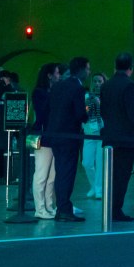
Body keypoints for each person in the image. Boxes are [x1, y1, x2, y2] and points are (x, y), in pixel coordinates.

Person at [99, 51, 134, 222]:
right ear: (130, 68)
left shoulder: (106, 86)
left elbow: (103, 111)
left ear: (115, 66)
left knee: (112, 175)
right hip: (126, 139)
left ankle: (110, 207)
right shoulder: (129, 86)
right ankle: (116, 209)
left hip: (110, 136)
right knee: (122, 176)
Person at [45, 56, 90, 222]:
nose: (89, 72)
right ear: (82, 70)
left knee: (60, 171)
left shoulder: (58, 86)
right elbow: (80, 114)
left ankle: (61, 207)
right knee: (67, 173)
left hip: (55, 135)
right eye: (88, 69)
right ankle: (64, 208)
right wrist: (87, 114)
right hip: (69, 137)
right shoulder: (77, 88)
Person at [29, 62, 62, 220]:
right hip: (43, 136)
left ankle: (49, 206)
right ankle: (40, 208)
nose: (59, 76)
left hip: (53, 136)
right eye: (57, 73)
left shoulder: (51, 91)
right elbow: (42, 113)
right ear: (49, 75)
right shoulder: (39, 92)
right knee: (42, 173)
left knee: (52, 175)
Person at [82, 72, 105, 199]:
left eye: (99, 81)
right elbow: (83, 112)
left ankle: (99, 189)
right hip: (89, 131)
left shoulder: (107, 96)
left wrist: (99, 103)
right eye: (95, 81)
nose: (97, 84)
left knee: (100, 162)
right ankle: (94, 186)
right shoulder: (86, 96)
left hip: (102, 132)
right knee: (87, 162)